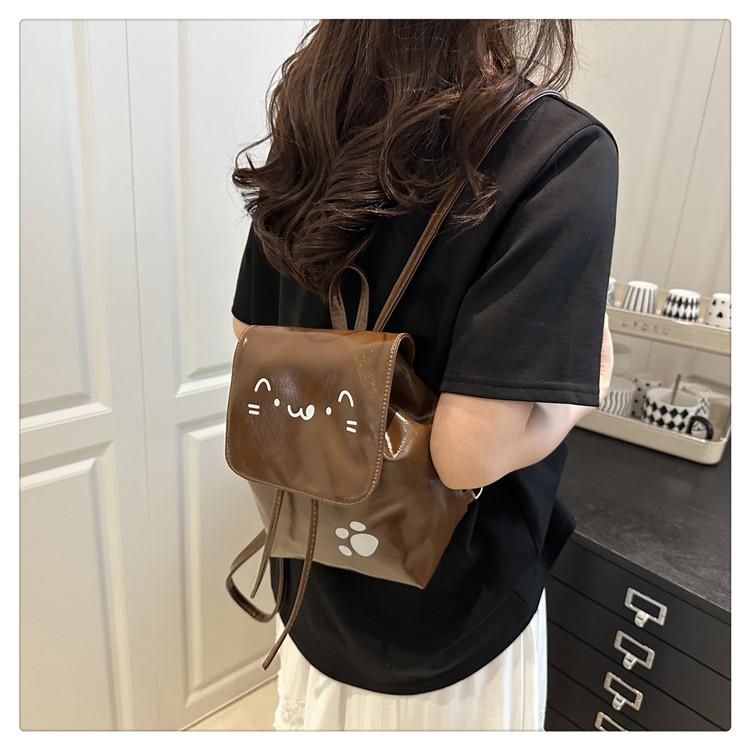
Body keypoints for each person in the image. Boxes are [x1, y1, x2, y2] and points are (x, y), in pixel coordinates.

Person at [230, 19, 617, 731]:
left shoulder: (312, 122)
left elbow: (249, 335)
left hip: (309, 579)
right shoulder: (556, 150)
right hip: (446, 623)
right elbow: (466, 455)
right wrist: (583, 392)